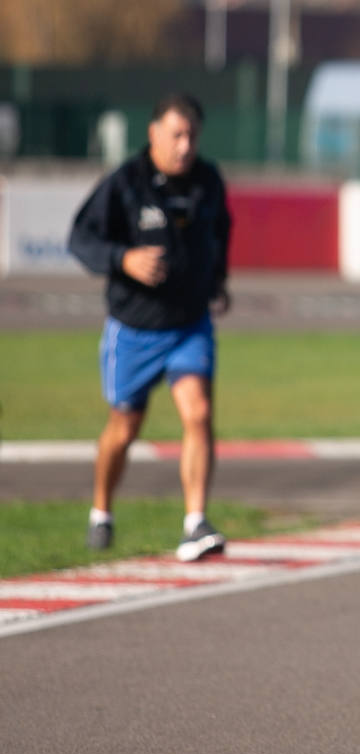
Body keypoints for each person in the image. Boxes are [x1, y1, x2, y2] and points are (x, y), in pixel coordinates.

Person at [67, 92, 232, 562]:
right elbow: (81, 238)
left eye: (192, 136)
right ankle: (101, 510)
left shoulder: (208, 181)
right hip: (134, 327)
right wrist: (124, 258)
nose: (185, 145)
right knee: (124, 429)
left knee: (197, 413)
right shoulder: (126, 183)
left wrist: (218, 278)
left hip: (189, 324)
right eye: (176, 135)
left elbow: (220, 231)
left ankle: (195, 521)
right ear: (154, 133)